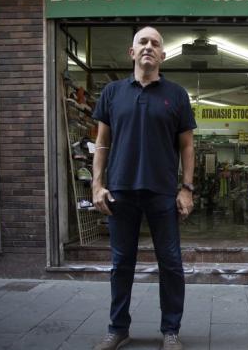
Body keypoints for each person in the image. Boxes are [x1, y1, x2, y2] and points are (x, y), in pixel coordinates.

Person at [91, 26, 196, 350]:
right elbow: (101, 143)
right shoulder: (112, 93)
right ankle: (118, 328)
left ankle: (171, 331)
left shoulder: (176, 94)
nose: (149, 47)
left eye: (155, 43)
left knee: (171, 263)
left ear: (163, 55)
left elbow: (188, 147)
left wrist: (186, 188)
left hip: (163, 192)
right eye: (142, 42)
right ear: (132, 52)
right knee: (121, 263)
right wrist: (97, 185)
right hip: (121, 192)